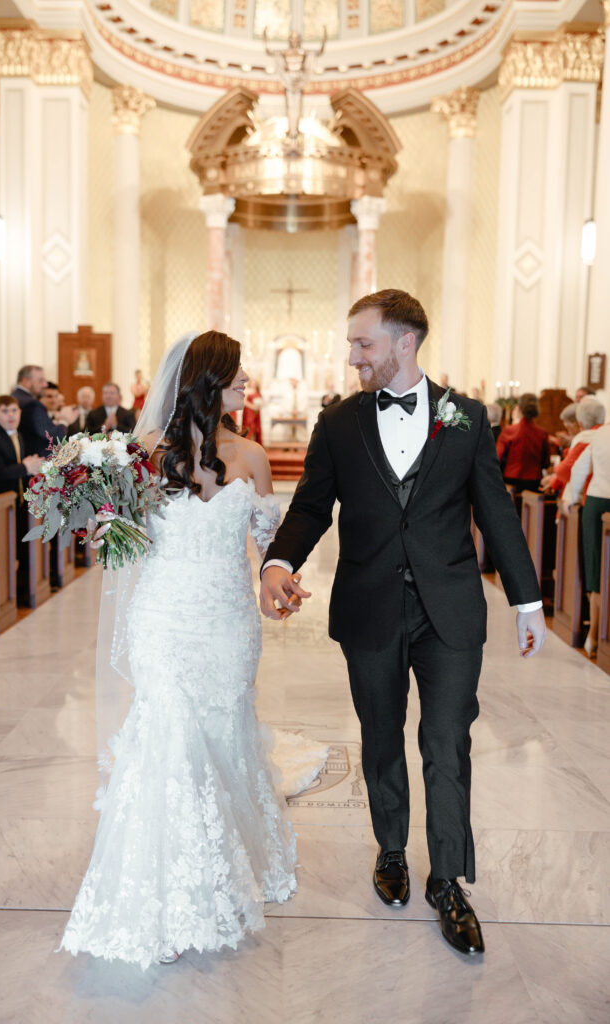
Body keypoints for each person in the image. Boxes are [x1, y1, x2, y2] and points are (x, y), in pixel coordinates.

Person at [259, 289, 546, 957]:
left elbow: (495, 512)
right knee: (380, 735)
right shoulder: (336, 422)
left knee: (447, 745)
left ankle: (447, 879)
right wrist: (277, 561)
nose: (351, 355)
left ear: (403, 342)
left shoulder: (465, 417)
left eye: (363, 343)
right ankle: (390, 848)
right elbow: (308, 507)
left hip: (449, 608)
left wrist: (525, 600)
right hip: (369, 604)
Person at [59, 331, 326, 969]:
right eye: (237, 374)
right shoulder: (141, 453)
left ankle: (224, 867)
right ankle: (170, 893)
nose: (247, 382)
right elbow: (116, 544)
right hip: (163, 618)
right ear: (208, 380)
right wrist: (100, 518)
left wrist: (278, 580)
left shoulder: (254, 456)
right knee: (169, 736)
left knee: (223, 729)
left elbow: (268, 547)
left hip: (228, 622)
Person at [567, 419, 610, 657]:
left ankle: (594, 637)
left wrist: (572, 499)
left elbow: (579, 469)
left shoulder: (599, 435)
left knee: (595, 566)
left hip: (596, 501)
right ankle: (599, 635)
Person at [541, 396, 605, 496]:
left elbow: (566, 471)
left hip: (584, 495)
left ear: (578, 424)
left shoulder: (584, 439)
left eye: (568, 427)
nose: (567, 431)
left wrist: (555, 477)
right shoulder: (602, 435)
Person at [496, 393, 549, 493]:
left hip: (511, 480)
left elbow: (497, 457)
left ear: (519, 408)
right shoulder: (542, 433)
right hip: (534, 480)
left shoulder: (509, 431)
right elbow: (546, 462)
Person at [11, 365, 66, 457]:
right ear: (26, 381)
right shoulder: (32, 403)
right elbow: (51, 435)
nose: (45, 384)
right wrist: (64, 421)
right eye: (41, 380)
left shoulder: (15, 396)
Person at [242, 378, 263, 444]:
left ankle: (255, 444)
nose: (253, 384)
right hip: (249, 412)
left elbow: (261, 401)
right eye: (252, 383)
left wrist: (259, 406)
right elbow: (244, 402)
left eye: (255, 383)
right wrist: (253, 407)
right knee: (250, 427)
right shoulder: (247, 391)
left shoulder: (258, 391)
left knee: (256, 428)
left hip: (256, 413)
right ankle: (248, 443)